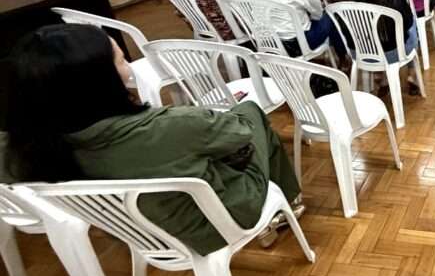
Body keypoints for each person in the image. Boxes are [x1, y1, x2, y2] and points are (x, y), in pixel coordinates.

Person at [4, 24, 302, 254]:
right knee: (249, 114)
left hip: (139, 234)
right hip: (216, 225)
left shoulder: (26, 147)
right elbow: (240, 132)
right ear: (100, 82)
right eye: (122, 60)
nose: (130, 67)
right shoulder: (169, 125)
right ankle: (285, 207)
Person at [326, 0, 421, 91]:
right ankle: (411, 73)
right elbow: (407, 25)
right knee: (412, 23)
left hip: (358, 52)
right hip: (392, 53)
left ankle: (380, 77)